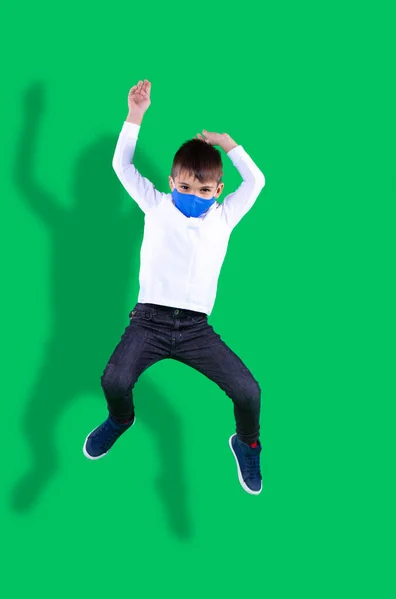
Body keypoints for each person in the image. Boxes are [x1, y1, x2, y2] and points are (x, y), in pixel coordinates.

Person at [83, 80, 266, 495]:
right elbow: (122, 168)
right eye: (184, 187)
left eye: (203, 190)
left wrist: (228, 143)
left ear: (218, 191)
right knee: (113, 381)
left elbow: (255, 183)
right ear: (171, 182)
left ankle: (247, 443)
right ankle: (121, 420)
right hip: (148, 321)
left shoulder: (224, 217)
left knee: (248, 391)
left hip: (196, 330)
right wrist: (136, 115)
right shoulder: (157, 204)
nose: (193, 195)